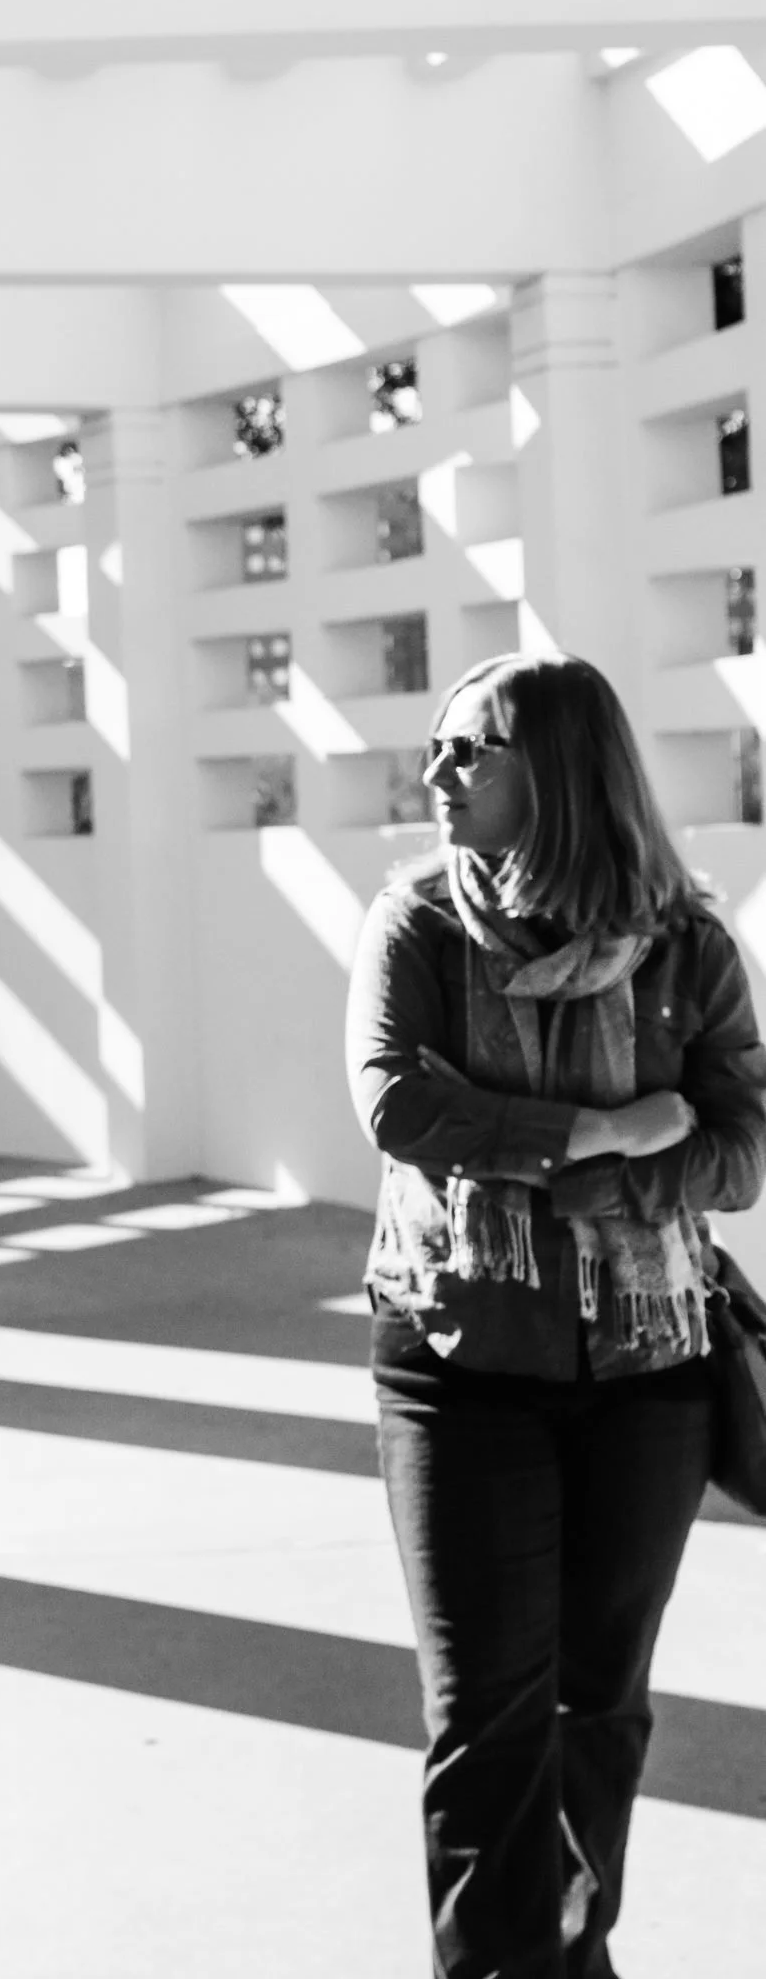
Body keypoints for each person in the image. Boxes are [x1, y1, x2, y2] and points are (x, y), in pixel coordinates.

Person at [344, 652, 766, 1979]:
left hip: (649, 1372)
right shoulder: (417, 924)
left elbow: (744, 1146)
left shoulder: (686, 943)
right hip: (459, 1361)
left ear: (561, 769)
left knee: (597, 1708)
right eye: (440, 747)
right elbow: (399, 1107)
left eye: (472, 748)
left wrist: (626, 1161)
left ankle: (566, 1960)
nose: (440, 773)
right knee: (486, 1719)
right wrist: (603, 1126)